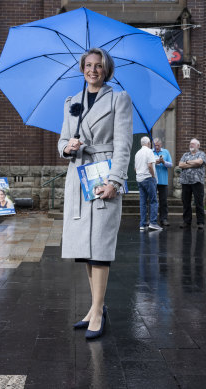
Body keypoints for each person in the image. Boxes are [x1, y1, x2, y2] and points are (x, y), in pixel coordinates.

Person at [58, 48, 132, 339]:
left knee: (100, 247)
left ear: (107, 69)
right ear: (82, 69)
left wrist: (115, 181)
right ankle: (94, 306)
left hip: (104, 177)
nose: (93, 70)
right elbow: (62, 139)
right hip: (78, 178)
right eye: (88, 65)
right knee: (85, 250)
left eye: (98, 66)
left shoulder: (119, 99)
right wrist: (67, 147)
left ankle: (98, 311)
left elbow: (124, 144)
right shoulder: (71, 102)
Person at [178, 138, 206, 229]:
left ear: (198, 145)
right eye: (190, 144)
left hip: (197, 182)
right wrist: (192, 163)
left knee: (199, 202)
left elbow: (199, 162)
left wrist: (187, 163)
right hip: (185, 182)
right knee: (186, 202)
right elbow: (180, 165)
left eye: (193, 144)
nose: (191, 145)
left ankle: (200, 222)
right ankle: (187, 221)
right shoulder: (185, 154)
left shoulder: (201, 154)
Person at [134, 136, 161, 231]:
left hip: (139, 179)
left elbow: (135, 168)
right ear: (148, 143)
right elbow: (150, 165)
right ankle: (153, 223)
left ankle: (142, 224)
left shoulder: (137, 153)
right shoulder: (149, 151)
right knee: (153, 201)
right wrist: (153, 176)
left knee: (143, 202)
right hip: (148, 178)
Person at [153, 138, 172, 226]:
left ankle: (163, 219)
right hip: (153, 180)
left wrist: (163, 162)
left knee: (163, 201)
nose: (157, 147)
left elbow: (171, 164)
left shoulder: (166, 152)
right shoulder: (150, 152)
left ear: (161, 145)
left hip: (163, 180)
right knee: (152, 200)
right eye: (155, 145)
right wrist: (155, 162)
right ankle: (152, 219)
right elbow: (147, 163)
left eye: (158, 145)